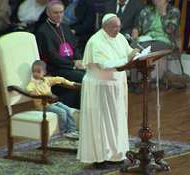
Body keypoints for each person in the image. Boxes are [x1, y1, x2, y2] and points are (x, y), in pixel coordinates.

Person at [77, 13, 139, 168]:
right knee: (100, 124)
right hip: (99, 87)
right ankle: (99, 158)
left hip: (117, 86)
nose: (118, 29)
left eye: (119, 26)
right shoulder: (95, 41)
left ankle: (116, 155)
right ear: (105, 26)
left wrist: (136, 54)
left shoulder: (120, 37)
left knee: (117, 121)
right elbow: (104, 64)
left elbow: (127, 52)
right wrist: (128, 59)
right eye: (114, 27)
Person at [36, 1, 85, 109]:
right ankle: (77, 108)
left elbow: (75, 46)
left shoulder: (65, 27)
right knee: (83, 77)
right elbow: (51, 55)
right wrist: (72, 63)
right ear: (48, 13)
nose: (59, 15)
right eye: (55, 13)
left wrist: (78, 59)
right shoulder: (43, 31)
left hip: (71, 66)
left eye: (61, 12)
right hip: (56, 69)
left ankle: (86, 109)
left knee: (90, 73)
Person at [27, 60, 80, 139]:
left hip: (52, 103)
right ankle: (64, 132)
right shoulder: (32, 84)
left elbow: (59, 79)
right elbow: (30, 92)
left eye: (38, 72)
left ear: (44, 72)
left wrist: (72, 83)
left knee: (67, 110)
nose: (36, 74)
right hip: (43, 106)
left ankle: (72, 130)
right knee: (62, 112)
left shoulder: (47, 80)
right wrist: (44, 95)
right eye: (34, 71)